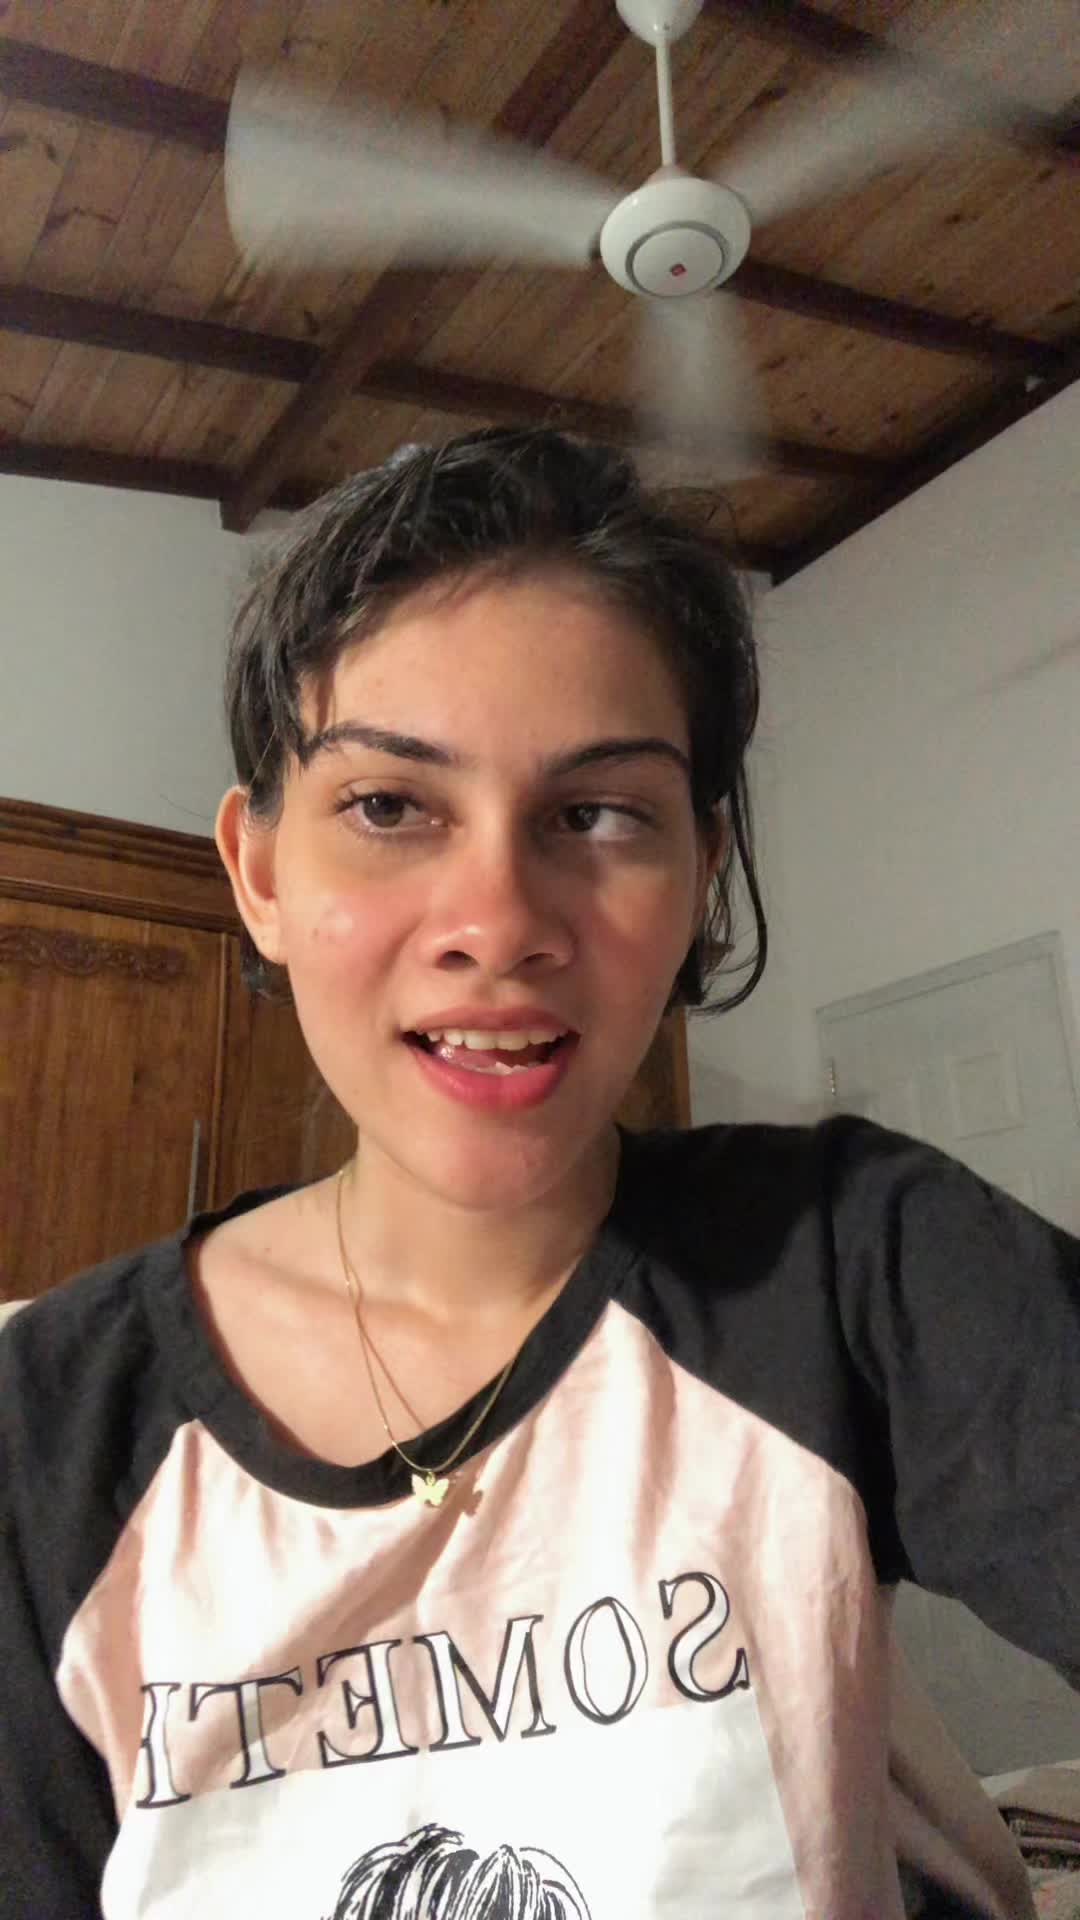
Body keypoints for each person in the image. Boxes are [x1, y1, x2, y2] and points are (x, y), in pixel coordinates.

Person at [0, 428, 1075, 1920]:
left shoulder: (855, 1262)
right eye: (389, 806)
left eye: (597, 814)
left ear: (700, 877)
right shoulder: (46, 1427)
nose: (498, 921)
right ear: (260, 872)